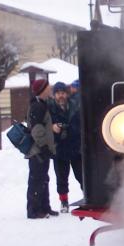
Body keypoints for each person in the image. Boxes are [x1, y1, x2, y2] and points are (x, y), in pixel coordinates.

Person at [48, 81, 82, 213]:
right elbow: (43, 124)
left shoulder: (74, 105)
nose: (60, 96)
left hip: (74, 146)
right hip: (59, 148)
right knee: (62, 178)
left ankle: (89, 197)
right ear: (54, 95)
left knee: (81, 174)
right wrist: (52, 127)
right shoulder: (49, 108)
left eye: (62, 93)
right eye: (58, 93)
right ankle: (64, 202)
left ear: (66, 94)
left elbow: (79, 123)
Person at [26, 78, 58, 219]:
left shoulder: (41, 104)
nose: (50, 88)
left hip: (41, 150)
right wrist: (43, 145)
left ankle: (45, 207)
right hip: (37, 151)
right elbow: (37, 129)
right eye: (48, 87)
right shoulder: (37, 106)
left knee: (44, 178)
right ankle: (34, 210)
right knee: (37, 179)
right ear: (43, 90)